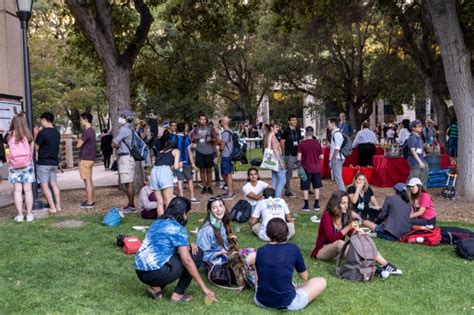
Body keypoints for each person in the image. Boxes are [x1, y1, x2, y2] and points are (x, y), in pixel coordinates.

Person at [135, 197, 215, 303]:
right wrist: (204, 288)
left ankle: (156, 289)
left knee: (172, 257)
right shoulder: (177, 228)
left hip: (140, 271)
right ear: (184, 213)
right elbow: (187, 261)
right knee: (197, 254)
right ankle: (177, 295)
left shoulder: (158, 222)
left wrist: (187, 245)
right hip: (155, 273)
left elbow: (163, 245)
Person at [310, 191, 402, 276]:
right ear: (335, 204)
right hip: (322, 250)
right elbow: (331, 239)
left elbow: (351, 235)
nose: (346, 206)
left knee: (363, 242)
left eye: (347, 203)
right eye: (343, 203)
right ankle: (374, 268)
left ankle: (385, 264)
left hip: (338, 253)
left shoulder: (345, 215)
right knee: (340, 243)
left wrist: (358, 232)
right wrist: (348, 227)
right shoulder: (327, 216)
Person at [254, 218, 327, 311]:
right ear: (287, 232)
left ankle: (268, 291)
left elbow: (258, 275)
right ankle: (289, 289)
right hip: (288, 303)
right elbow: (304, 277)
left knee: (257, 268)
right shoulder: (293, 249)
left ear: (268, 233)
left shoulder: (261, 250)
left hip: (260, 301)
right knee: (321, 281)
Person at [7, 113, 35, 222]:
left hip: (14, 166)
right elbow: (31, 152)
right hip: (27, 165)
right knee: (28, 190)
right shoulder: (28, 136)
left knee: (17, 191)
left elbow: (7, 151)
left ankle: (19, 215)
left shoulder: (9, 136)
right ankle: (29, 215)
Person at [35, 112, 61, 213]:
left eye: (41, 121)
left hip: (44, 163)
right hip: (54, 162)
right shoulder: (56, 132)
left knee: (44, 185)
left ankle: (52, 207)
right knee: (54, 184)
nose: (41, 123)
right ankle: (58, 206)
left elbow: (36, 147)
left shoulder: (43, 132)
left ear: (45, 120)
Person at [112, 110, 137, 213]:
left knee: (128, 183)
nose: (120, 118)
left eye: (122, 116)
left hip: (125, 158)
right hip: (129, 157)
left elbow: (114, 143)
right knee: (128, 182)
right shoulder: (130, 129)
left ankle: (131, 206)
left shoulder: (124, 129)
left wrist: (115, 145)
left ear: (126, 118)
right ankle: (131, 205)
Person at [197, 196, 234, 265]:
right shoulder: (207, 230)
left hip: (223, 255)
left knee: (249, 252)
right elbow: (202, 256)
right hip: (211, 262)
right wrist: (219, 253)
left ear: (224, 207)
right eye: (214, 207)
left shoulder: (221, 223)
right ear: (210, 211)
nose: (219, 209)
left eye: (220, 206)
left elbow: (225, 246)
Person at [150, 141, 180, 217]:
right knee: (168, 201)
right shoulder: (176, 151)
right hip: (165, 172)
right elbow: (176, 167)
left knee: (160, 202)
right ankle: (168, 222)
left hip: (154, 172)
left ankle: (160, 222)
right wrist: (180, 164)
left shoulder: (161, 152)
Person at [297, 126, 323, 211]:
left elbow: (298, 158)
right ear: (313, 133)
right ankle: (316, 204)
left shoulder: (301, 144)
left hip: (306, 168)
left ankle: (306, 205)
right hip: (316, 168)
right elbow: (321, 156)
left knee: (305, 187)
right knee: (316, 187)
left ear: (305, 133)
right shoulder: (317, 144)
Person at [190, 114, 218, 194]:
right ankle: (204, 186)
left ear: (206, 120)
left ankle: (209, 186)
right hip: (199, 151)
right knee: (201, 170)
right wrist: (194, 139)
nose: (203, 121)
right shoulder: (196, 129)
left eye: (204, 119)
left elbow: (215, 139)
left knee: (209, 170)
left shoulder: (211, 128)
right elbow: (192, 139)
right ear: (199, 120)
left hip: (209, 152)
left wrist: (211, 139)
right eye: (201, 119)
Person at [175, 123, 199, 204]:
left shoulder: (173, 138)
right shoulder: (186, 139)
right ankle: (192, 197)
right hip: (186, 162)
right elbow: (189, 153)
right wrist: (193, 164)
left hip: (177, 162)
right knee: (190, 179)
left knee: (179, 180)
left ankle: (181, 197)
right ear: (184, 129)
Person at [280, 114, 302, 198]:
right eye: (292, 120)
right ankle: (287, 190)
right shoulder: (286, 131)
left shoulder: (298, 130)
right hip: (289, 155)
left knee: (303, 171)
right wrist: (285, 152)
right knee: (289, 174)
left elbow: (299, 141)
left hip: (298, 154)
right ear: (289, 121)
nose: (294, 121)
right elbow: (282, 142)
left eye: (295, 120)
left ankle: (306, 187)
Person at [77, 112, 96, 209]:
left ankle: (89, 202)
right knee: (90, 180)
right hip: (91, 158)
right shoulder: (92, 131)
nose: (80, 121)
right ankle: (91, 200)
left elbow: (78, 145)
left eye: (81, 119)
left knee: (87, 181)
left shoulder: (87, 131)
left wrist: (77, 139)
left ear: (86, 120)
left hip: (85, 159)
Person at [263, 122, 286, 198]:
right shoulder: (273, 137)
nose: (278, 129)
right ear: (272, 128)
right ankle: (277, 197)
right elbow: (275, 149)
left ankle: (271, 196)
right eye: (276, 127)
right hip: (276, 159)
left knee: (274, 179)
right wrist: (281, 161)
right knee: (282, 180)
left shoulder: (268, 136)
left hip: (272, 160)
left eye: (278, 127)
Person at [406, 120, 429, 187]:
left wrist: (424, 153)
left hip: (422, 160)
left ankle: (422, 193)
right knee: (414, 180)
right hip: (415, 162)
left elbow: (420, 149)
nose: (421, 127)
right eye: (419, 126)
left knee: (424, 177)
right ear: (413, 128)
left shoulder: (419, 137)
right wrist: (420, 162)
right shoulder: (412, 138)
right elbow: (413, 151)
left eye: (421, 126)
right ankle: (412, 194)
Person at [219, 116, 235, 200]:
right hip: (230, 154)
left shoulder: (225, 133)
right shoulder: (230, 131)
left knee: (227, 174)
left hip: (226, 155)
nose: (220, 122)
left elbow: (222, 147)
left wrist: (219, 146)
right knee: (225, 173)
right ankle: (230, 189)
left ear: (224, 122)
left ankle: (230, 192)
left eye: (221, 121)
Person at [327, 118, 345, 191]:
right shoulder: (336, 133)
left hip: (337, 158)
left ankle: (343, 194)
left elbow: (337, 147)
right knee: (338, 177)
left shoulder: (336, 134)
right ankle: (342, 193)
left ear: (333, 124)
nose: (327, 125)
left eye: (328, 124)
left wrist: (333, 158)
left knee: (338, 178)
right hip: (338, 157)